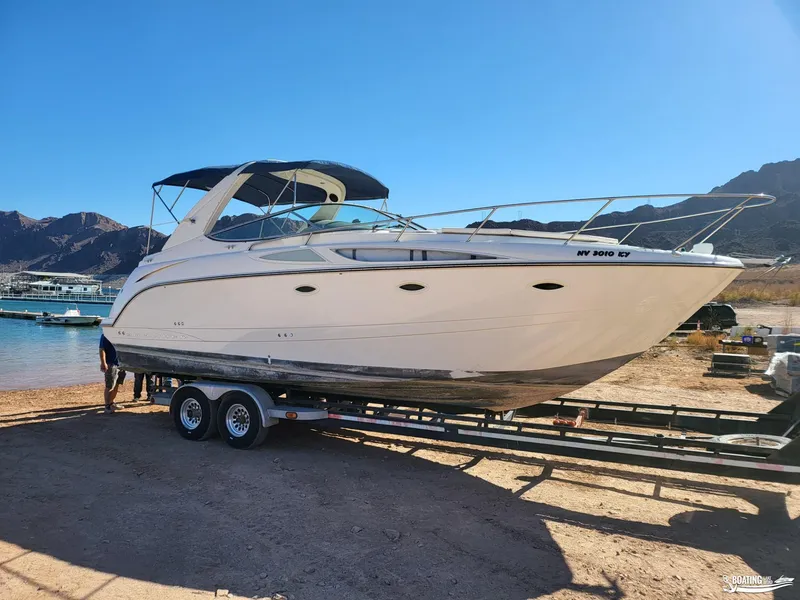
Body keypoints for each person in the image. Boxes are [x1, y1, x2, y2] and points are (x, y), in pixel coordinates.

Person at [99, 333, 126, 413]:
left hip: (121, 363)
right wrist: (103, 362)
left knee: (117, 384)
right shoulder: (106, 334)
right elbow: (101, 349)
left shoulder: (120, 332)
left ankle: (112, 403)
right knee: (110, 386)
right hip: (111, 364)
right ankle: (107, 406)